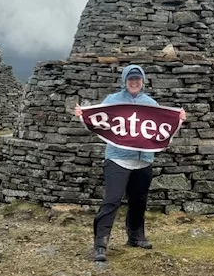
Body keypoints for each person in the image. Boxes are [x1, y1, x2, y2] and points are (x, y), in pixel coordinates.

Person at [75, 64, 186, 263]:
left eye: (137, 79)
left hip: (143, 160)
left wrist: (178, 120)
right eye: (130, 79)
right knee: (112, 200)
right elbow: (99, 120)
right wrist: (83, 114)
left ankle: (136, 237)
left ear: (142, 81)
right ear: (125, 81)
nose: (134, 82)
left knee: (139, 201)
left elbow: (162, 127)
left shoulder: (150, 103)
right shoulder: (113, 100)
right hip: (117, 158)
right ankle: (100, 244)